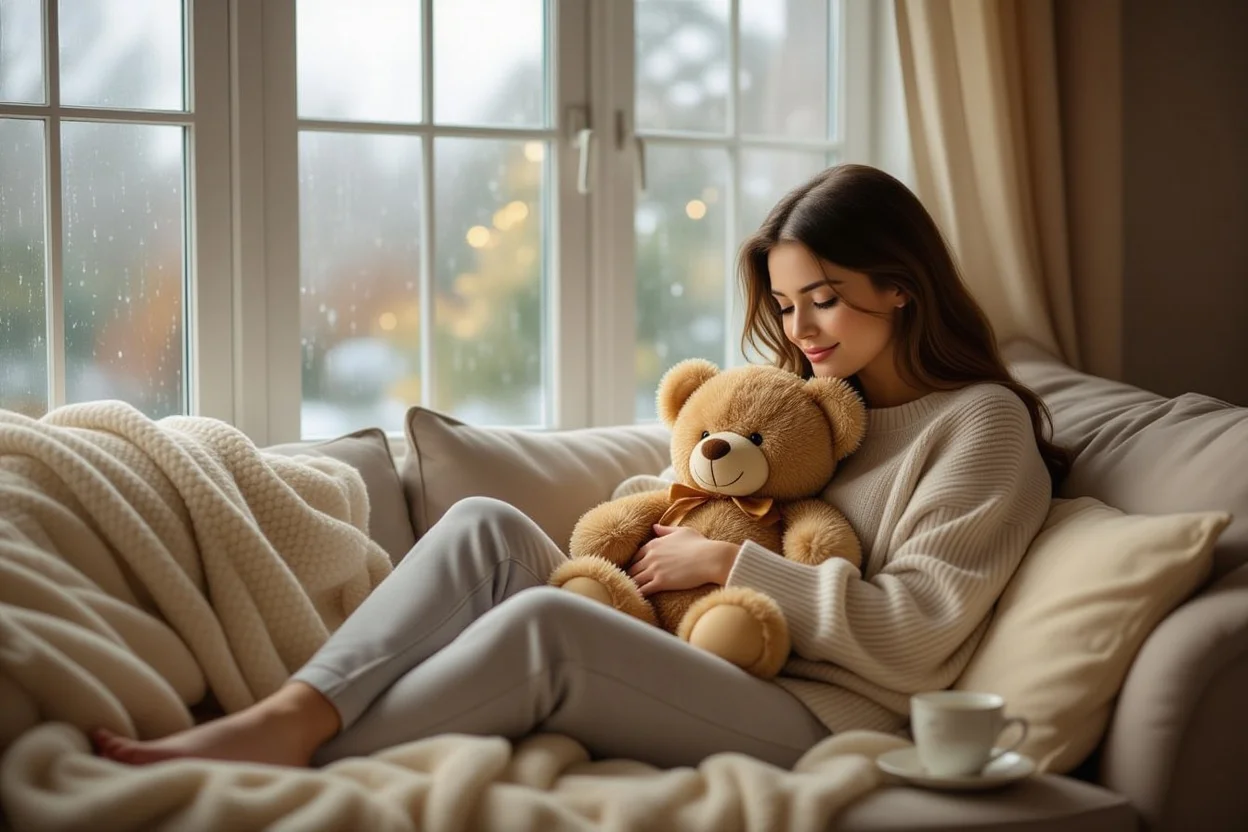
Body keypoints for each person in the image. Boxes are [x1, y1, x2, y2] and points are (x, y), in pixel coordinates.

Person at [92, 163, 1067, 771]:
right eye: (785, 305)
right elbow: (687, 498)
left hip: (821, 712)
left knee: (548, 629)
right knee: (485, 525)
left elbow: (919, 636)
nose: (799, 333)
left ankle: (290, 759)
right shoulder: (811, 401)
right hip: (699, 644)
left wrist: (730, 569)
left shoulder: (976, 426)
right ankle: (291, 713)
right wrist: (658, 533)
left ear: (899, 289)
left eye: (824, 300)